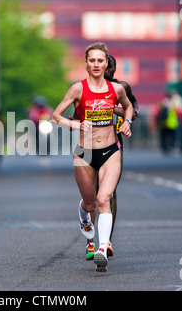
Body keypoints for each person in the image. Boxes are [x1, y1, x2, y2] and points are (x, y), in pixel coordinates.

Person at [52, 42, 133, 272]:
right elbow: (56, 115)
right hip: (84, 153)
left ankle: (102, 248)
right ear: (86, 64)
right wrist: (73, 124)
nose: (96, 64)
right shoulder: (77, 89)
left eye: (100, 60)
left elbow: (127, 107)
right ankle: (84, 217)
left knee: (103, 199)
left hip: (110, 151)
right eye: (92, 61)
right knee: (89, 204)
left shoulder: (116, 90)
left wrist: (126, 122)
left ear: (106, 63)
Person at [79, 54, 139, 261]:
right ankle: (91, 241)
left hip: (113, 143)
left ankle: (106, 242)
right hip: (88, 145)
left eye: (110, 68)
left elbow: (134, 109)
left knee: (108, 194)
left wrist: (119, 114)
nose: (107, 72)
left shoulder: (121, 88)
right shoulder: (85, 89)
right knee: (92, 198)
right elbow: (77, 113)